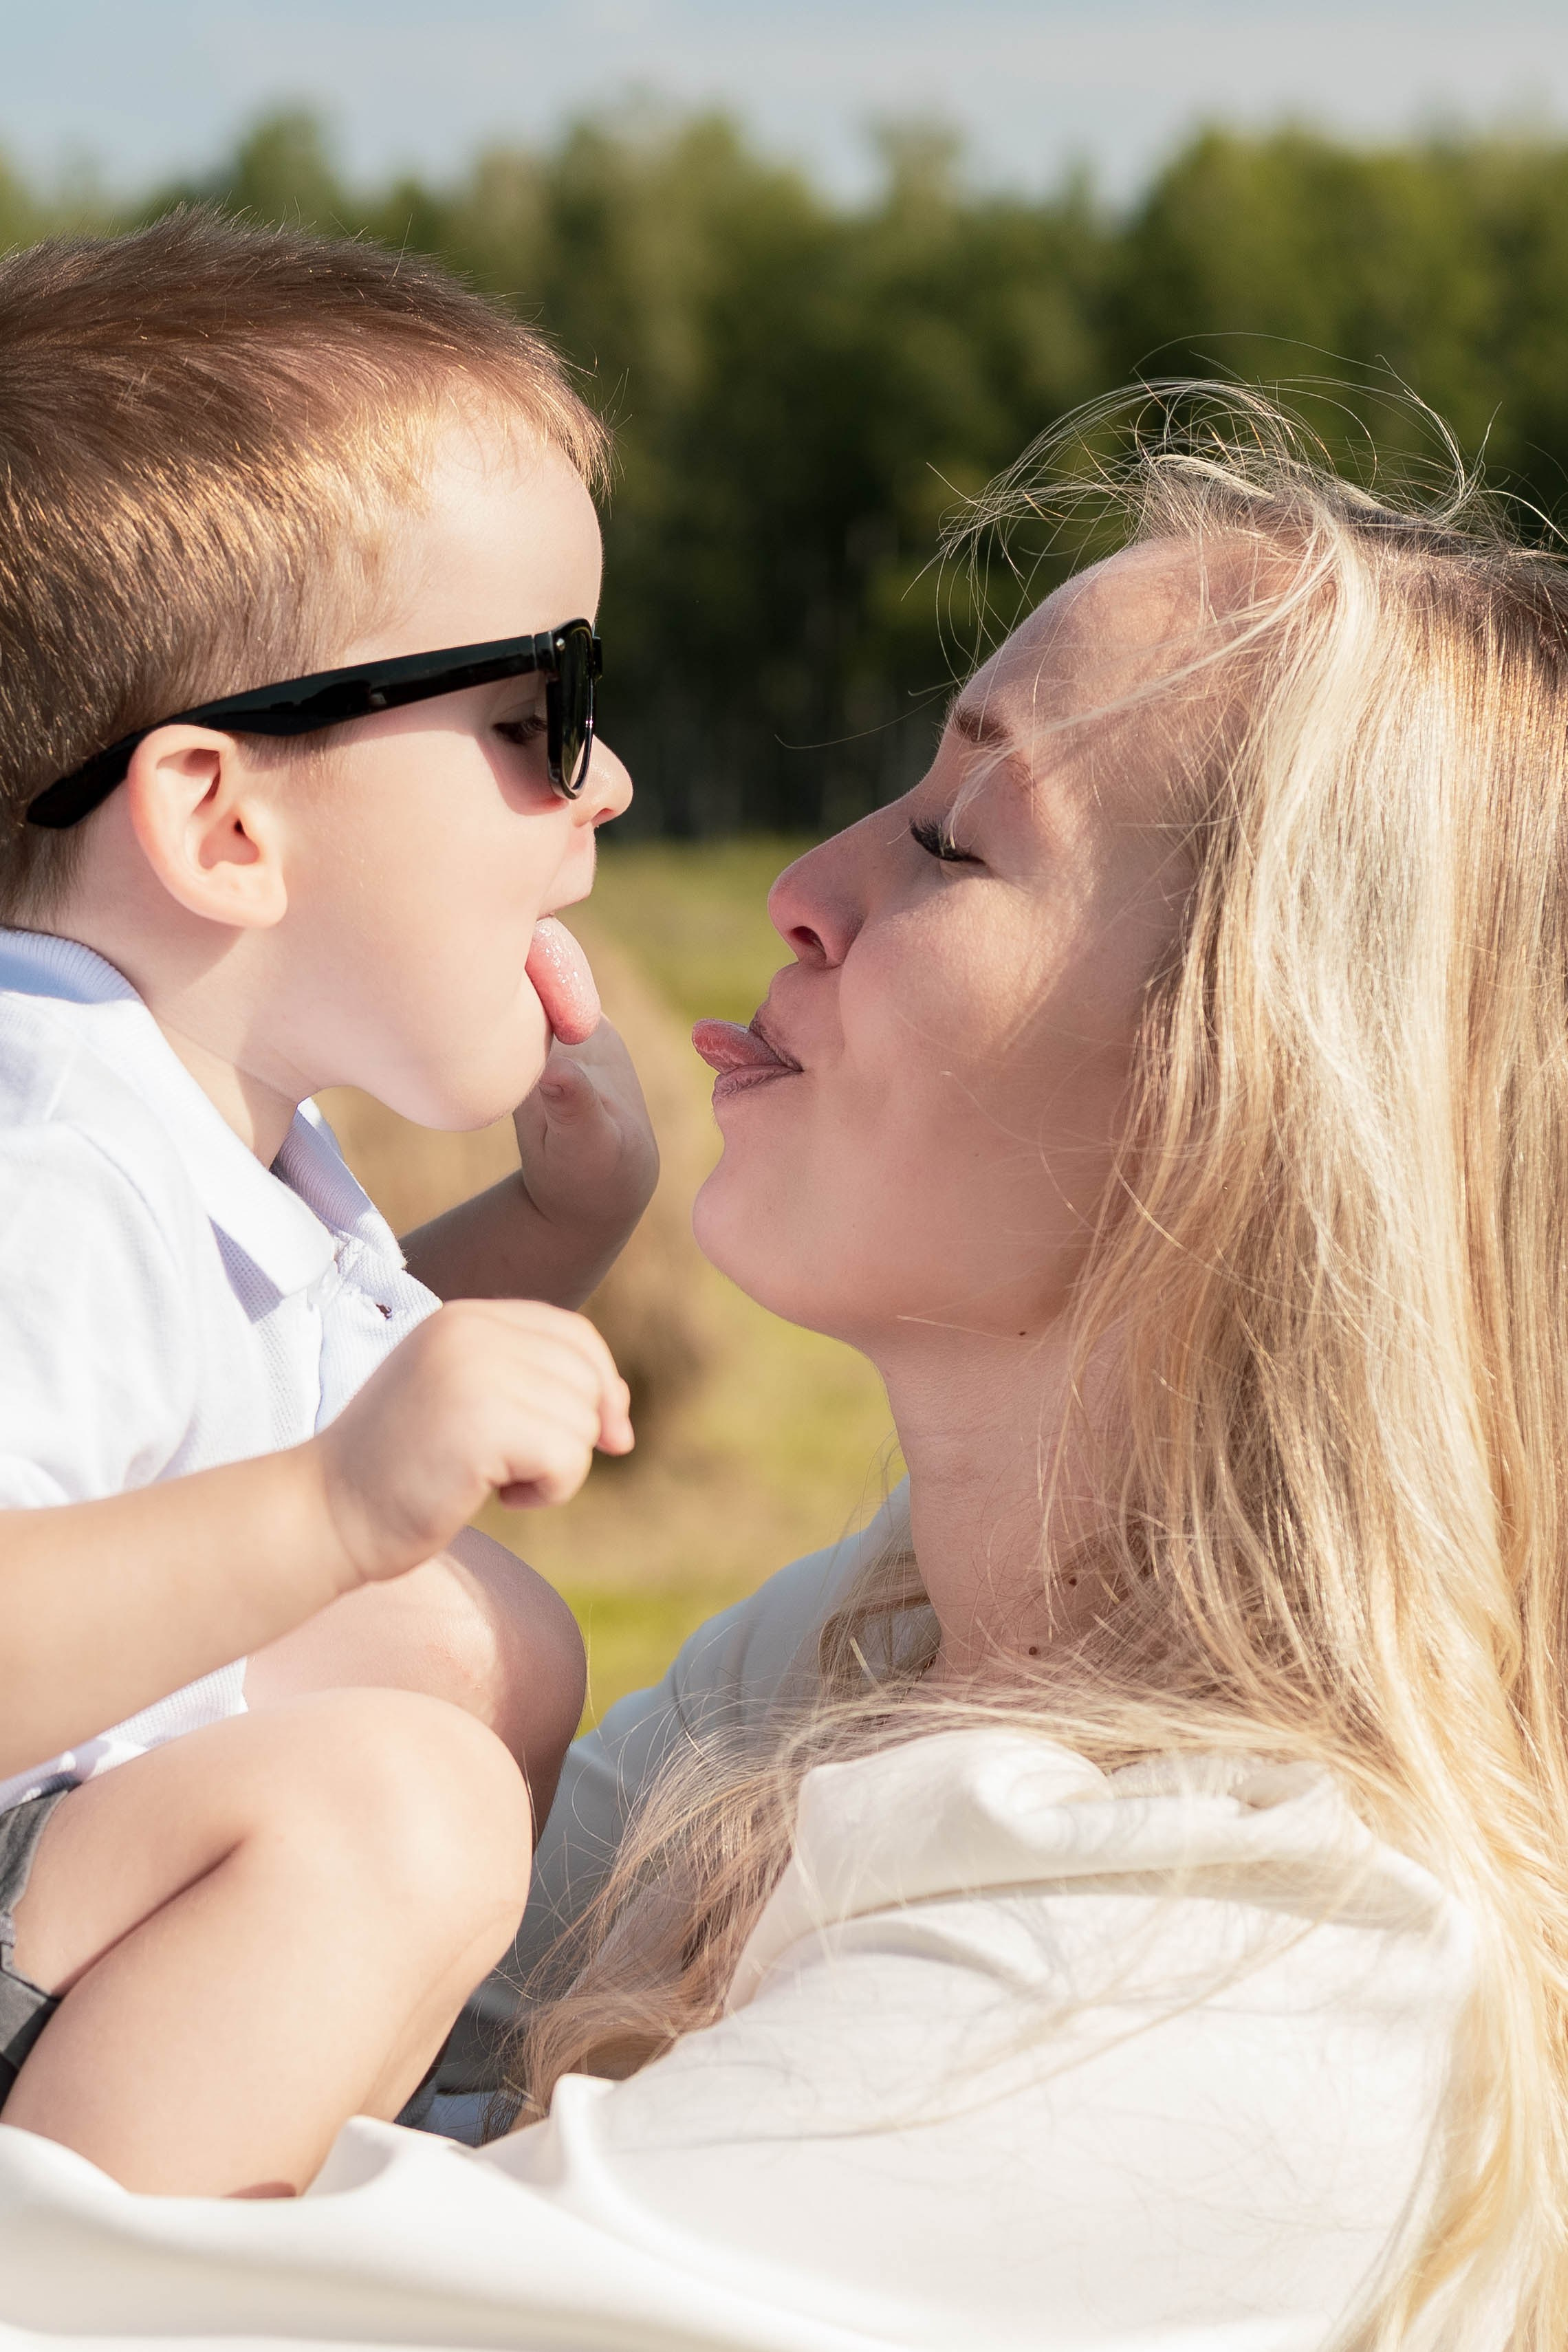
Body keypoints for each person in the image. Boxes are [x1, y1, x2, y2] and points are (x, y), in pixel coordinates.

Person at [1, 384, 1561, 2352]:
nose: (803, 884)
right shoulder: (876, 1653)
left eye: (955, 840)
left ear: (1243, 1099)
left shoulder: (1218, 2010)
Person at [0, 214, 655, 2199]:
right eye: (536, 710)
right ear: (223, 821)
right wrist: (328, 1509)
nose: (607, 778)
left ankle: (306, 2143)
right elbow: (266, 1483)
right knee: (401, 1798)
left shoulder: (195, 1118)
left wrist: (542, 1232)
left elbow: (223, 1405)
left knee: (479, 1646)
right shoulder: (46, 1156)